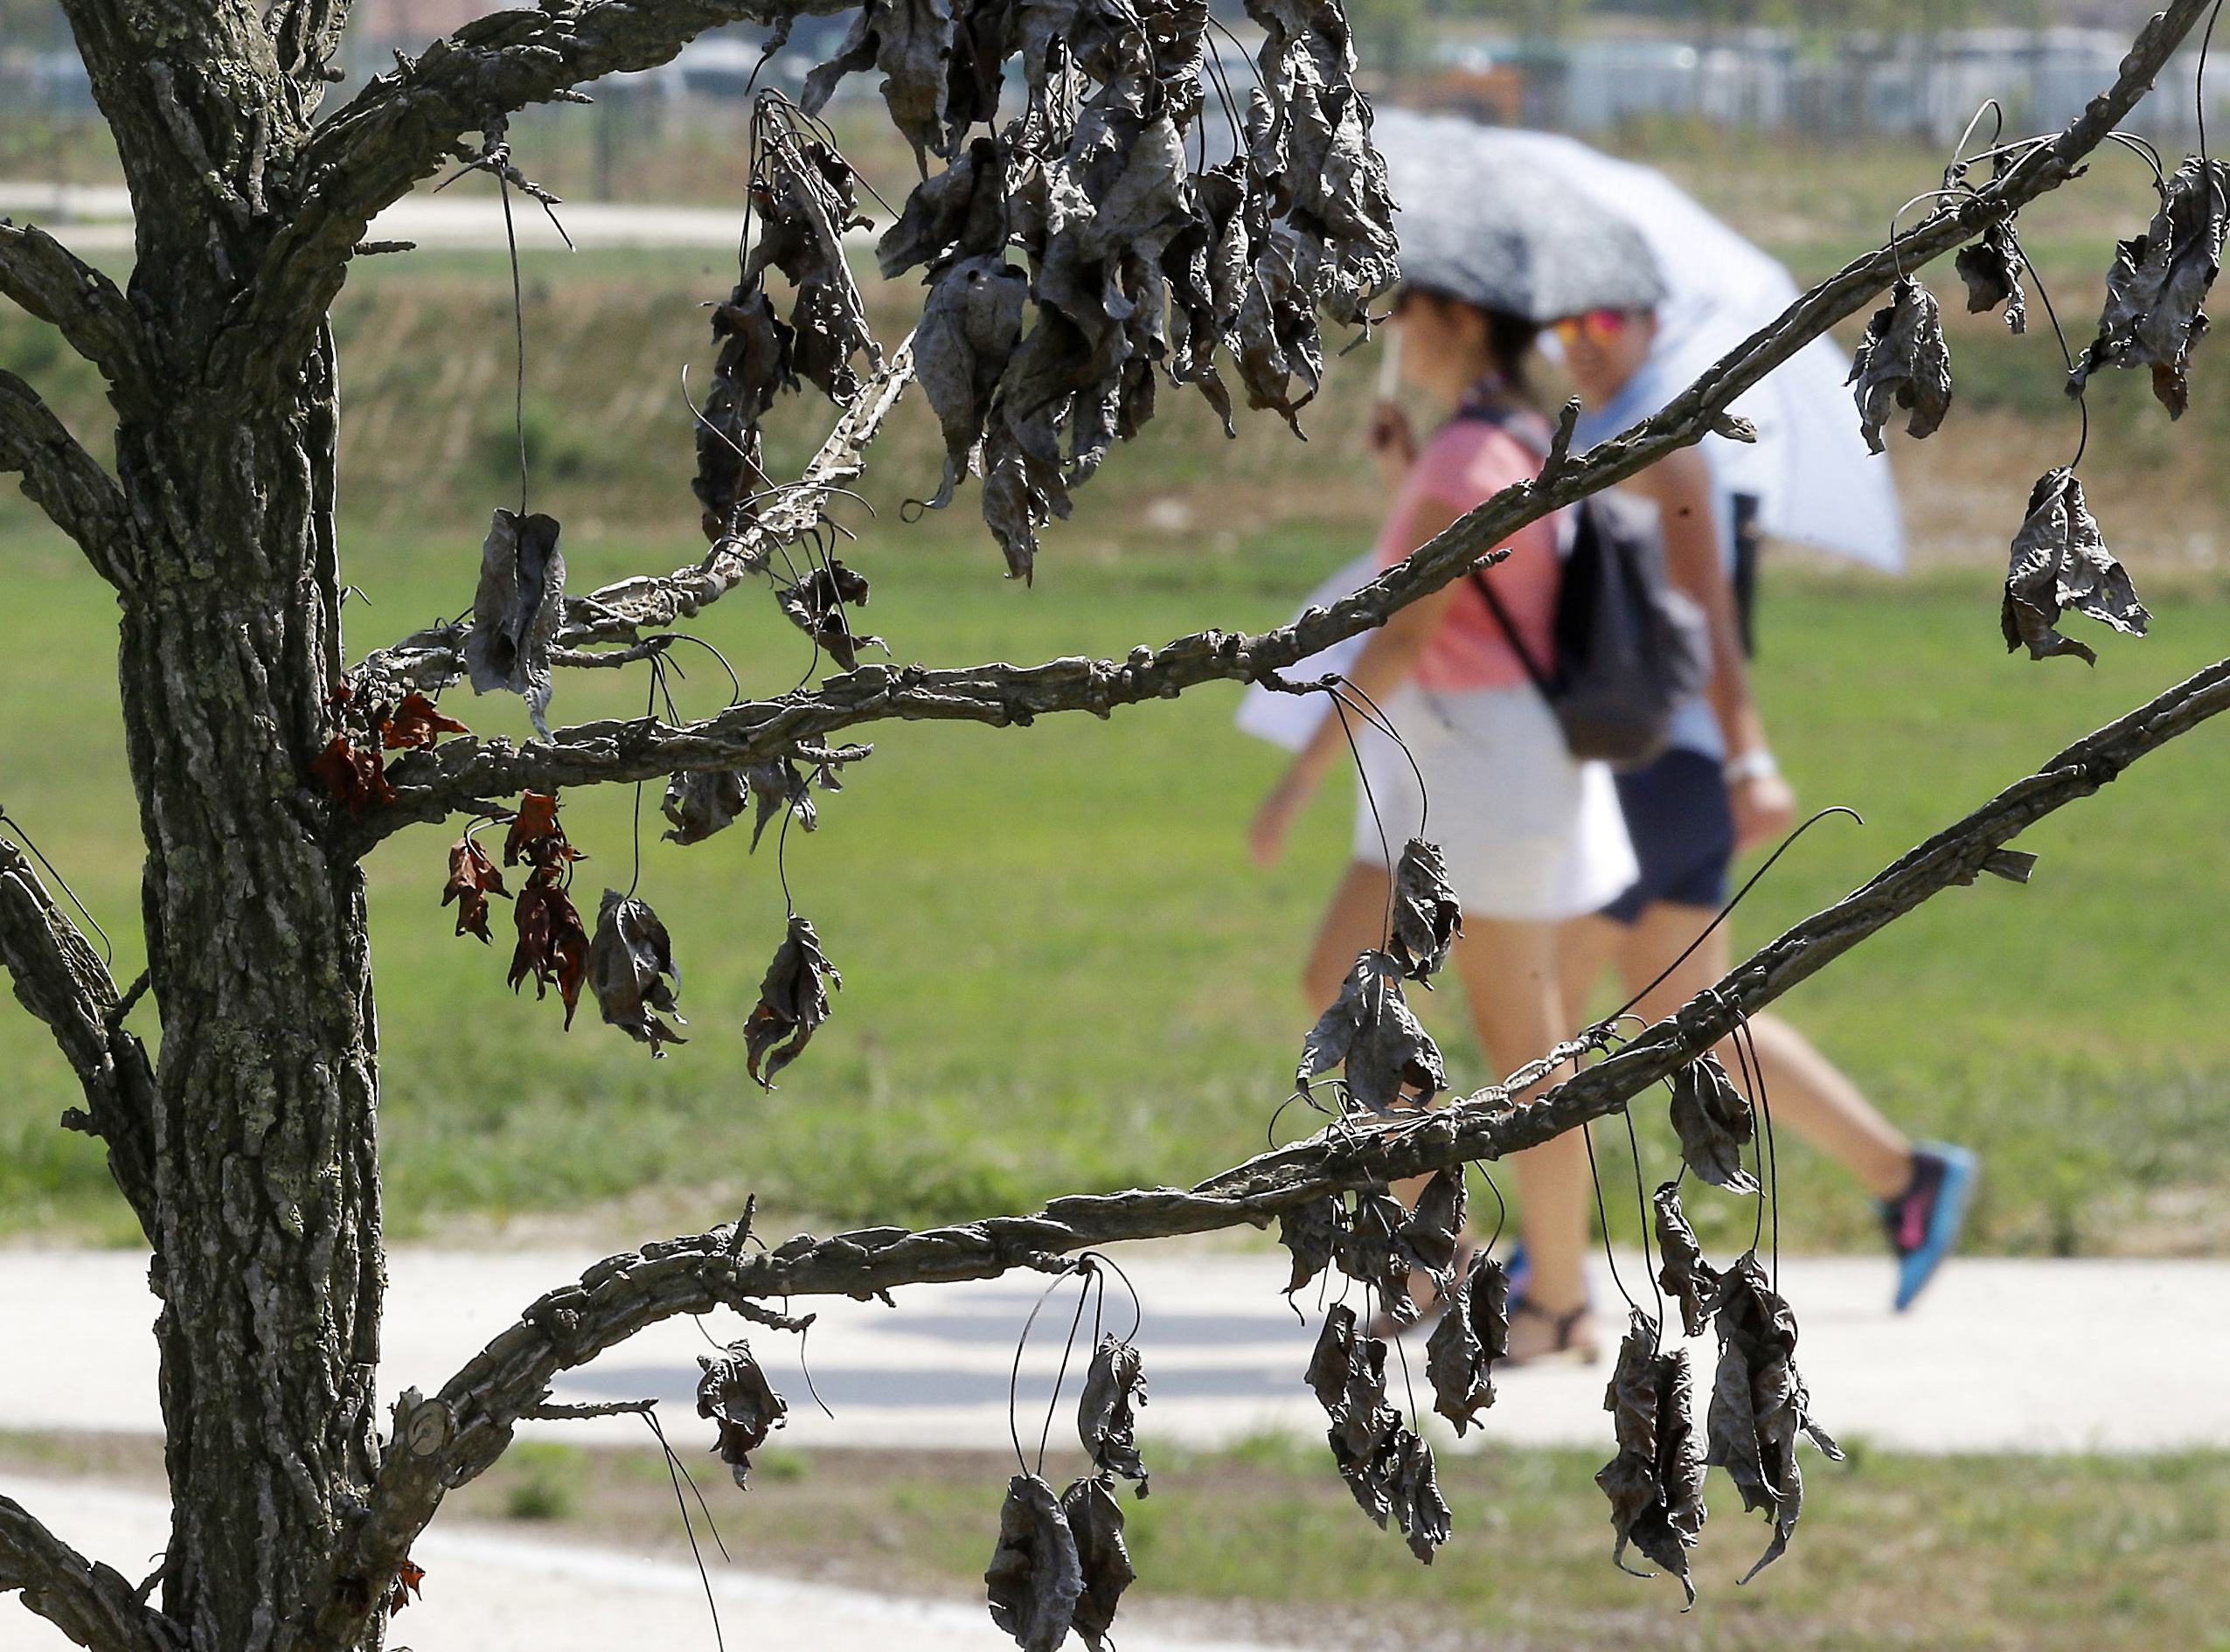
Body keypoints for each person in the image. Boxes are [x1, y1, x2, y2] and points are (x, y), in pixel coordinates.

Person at [1550, 303, 1977, 1314]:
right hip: (1635, 776)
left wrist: (1749, 759)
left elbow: (1716, 624)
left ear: (1653, 325)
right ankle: (1903, 1175)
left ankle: (1542, 1271)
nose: (1583, 337)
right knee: (1685, 1024)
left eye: (1606, 318)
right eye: (1567, 321)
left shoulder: (1670, 453)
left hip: (1659, 779)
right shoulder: (1586, 444)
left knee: (1546, 1023)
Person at [1247, 283, 1636, 1363]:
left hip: (1479, 778)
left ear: (1462, 321)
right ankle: (1439, 1249)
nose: (1392, 329)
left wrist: (1296, 781)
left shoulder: (1469, 458)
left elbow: (1404, 635)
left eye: (1408, 309)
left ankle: (1555, 1302)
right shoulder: (1497, 439)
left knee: (1524, 1045)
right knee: (1347, 985)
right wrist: (1399, 472)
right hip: (1461, 777)